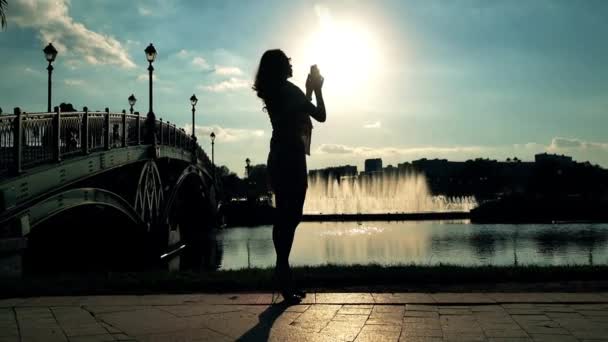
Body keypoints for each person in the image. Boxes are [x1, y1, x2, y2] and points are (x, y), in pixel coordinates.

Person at [253, 49, 326, 302]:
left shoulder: (276, 92)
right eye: (287, 62)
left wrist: (305, 90)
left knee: (284, 216)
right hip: (292, 157)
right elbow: (320, 115)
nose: (291, 64)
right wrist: (317, 88)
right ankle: (283, 275)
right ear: (281, 67)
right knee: (292, 216)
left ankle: (282, 274)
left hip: (278, 154)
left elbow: (296, 113)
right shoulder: (288, 89)